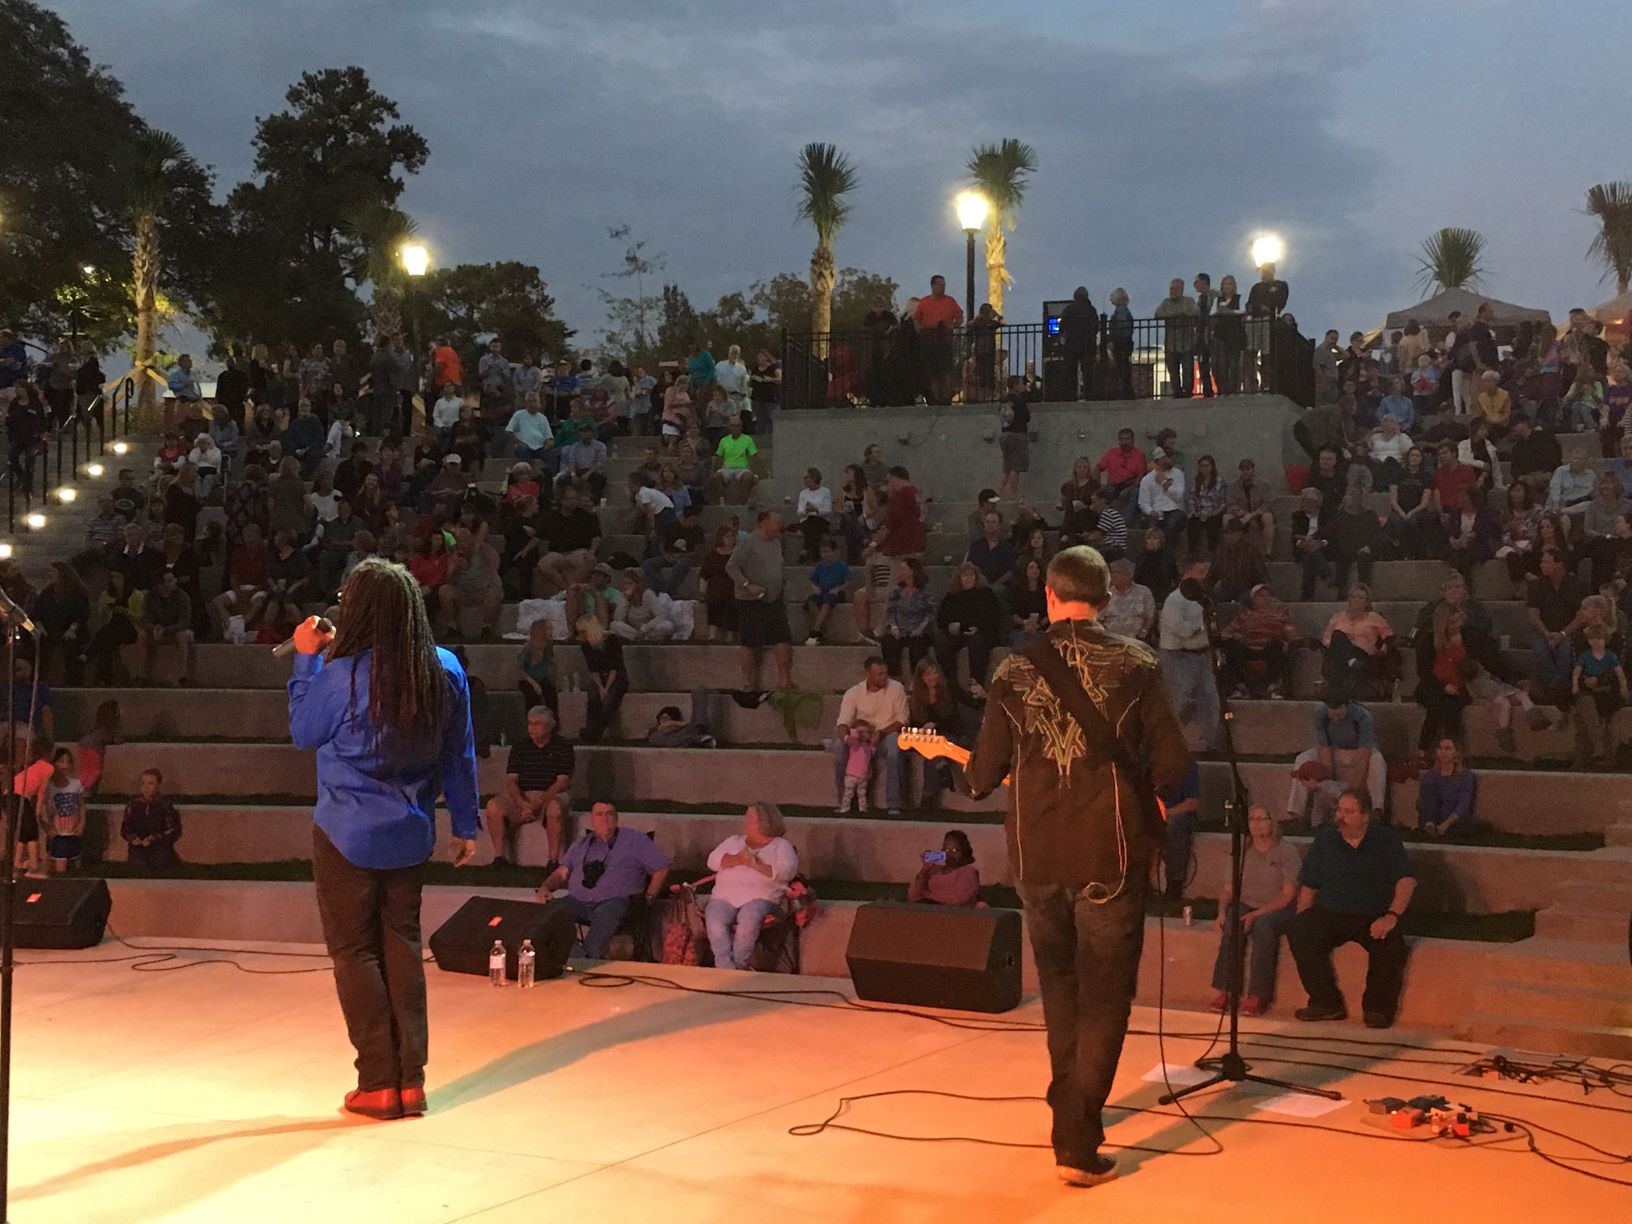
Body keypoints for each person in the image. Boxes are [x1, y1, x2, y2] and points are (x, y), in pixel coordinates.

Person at [965, 546, 1189, 1188]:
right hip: (1109, 854)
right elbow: (1173, 766)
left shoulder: (1011, 669)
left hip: (1036, 857)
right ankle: (1076, 1137)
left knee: (1059, 989)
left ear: (1049, 596)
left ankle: (1070, 1113)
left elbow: (980, 777)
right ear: (1106, 598)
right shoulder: (1137, 663)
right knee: (1105, 996)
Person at [287, 559, 480, 1121]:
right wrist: (464, 825)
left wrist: (305, 657)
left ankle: (376, 1083)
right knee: (401, 944)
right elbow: (459, 753)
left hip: (345, 831)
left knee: (354, 951)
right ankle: (410, 1083)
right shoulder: (443, 668)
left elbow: (303, 731)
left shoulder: (342, 673)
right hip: (411, 830)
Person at [1289, 787, 1416, 1029]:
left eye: (1349, 812)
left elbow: (1406, 880)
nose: (1341, 817)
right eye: (1339, 810)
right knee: (1300, 930)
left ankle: (1377, 1009)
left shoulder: (1385, 840)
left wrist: (1391, 916)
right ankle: (1326, 1002)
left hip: (1373, 914)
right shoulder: (1325, 840)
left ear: (1365, 815)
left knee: (1390, 943)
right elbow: (1309, 885)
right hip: (1332, 913)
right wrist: (1302, 915)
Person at [537, 801, 671, 959]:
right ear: (591, 820)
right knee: (551, 911)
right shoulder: (581, 844)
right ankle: (579, 957)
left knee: (608, 912)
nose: (605, 818)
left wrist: (648, 897)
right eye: (599, 814)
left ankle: (584, 960)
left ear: (616, 818)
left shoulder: (635, 840)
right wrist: (545, 887)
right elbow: (561, 874)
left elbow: (662, 868)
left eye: (609, 814)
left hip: (615, 902)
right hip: (578, 901)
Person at [1209, 805, 1300, 1016]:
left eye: (1261, 818)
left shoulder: (1286, 851)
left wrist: (1257, 914)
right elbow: (1228, 890)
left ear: (1272, 822)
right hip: (1246, 902)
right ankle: (1226, 989)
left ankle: (1258, 995)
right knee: (1232, 923)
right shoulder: (1242, 850)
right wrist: (1222, 911)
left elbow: (1288, 895)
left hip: (1277, 906)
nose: (1256, 823)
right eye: (1252, 819)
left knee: (1264, 928)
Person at [703, 802, 798, 970]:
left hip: (762, 898)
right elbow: (712, 861)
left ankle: (739, 965)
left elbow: (786, 872)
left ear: (765, 822)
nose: (745, 821)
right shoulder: (734, 841)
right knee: (715, 919)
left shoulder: (781, 845)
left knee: (749, 916)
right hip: (725, 896)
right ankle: (725, 967)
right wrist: (737, 859)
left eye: (750, 818)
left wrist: (756, 865)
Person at [484, 705, 574, 871]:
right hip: (523, 796)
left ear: (550, 726)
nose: (532, 728)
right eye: (530, 723)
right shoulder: (520, 747)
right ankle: (499, 857)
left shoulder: (563, 747)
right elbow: (511, 780)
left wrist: (537, 804)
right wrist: (521, 802)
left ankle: (553, 860)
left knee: (555, 808)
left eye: (537, 724)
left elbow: (561, 782)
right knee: (493, 806)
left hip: (551, 796)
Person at [1284, 698, 1389, 826]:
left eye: (1339, 715)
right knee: (1302, 759)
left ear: (1347, 705)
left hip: (1358, 752)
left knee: (1377, 760)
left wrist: (1354, 793)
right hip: (1333, 751)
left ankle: (1376, 811)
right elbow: (1323, 748)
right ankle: (1295, 814)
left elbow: (1364, 751)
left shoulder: (1363, 716)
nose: (1336, 719)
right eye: (1332, 715)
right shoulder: (1320, 713)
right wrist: (1327, 782)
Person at [726, 510, 793, 693]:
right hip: (750, 599)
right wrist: (748, 585)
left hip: (774, 597)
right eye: (776, 522)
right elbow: (731, 566)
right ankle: (746, 681)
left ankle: (784, 679)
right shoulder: (748, 543)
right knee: (750, 641)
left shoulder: (777, 542)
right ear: (763, 522)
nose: (779, 526)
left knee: (782, 637)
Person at [833, 657, 909, 816]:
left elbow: (902, 721)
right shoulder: (853, 693)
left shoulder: (896, 688)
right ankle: (845, 801)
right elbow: (842, 723)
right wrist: (848, 738)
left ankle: (894, 804)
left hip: (886, 735)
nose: (884, 677)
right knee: (839, 747)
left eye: (885, 673)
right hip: (861, 739)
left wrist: (880, 733)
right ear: (867, 674)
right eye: (879, 674)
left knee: (894, 745)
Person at [1158, 558, 1220, 751]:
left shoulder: (1203, 598)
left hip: (1202, 655)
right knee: (1179, 702)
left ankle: (1207, 744)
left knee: (1210, 700)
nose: (1204, 576)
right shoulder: (1175, 599)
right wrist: (1202, 627)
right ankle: (1168, 743)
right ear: (1188, 572)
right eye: (1200, 572)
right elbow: (1179, 628)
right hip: (1178, 657)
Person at [1219, 583, 1296, 699]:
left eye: (1267, 595)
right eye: (1261, 596)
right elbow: (1226, 632)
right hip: (1249, 648)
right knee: (1232, 646)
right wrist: (1234, 635)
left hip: (1269, 648)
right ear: (1253, 599)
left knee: (1277, 645)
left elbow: (1289, 631)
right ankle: (1241, 688)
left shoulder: (1281, 614)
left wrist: (1293, 641)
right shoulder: (1245, 614)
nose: (1265, 598)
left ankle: (1272, 687)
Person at [1571, 623, 1628, 767]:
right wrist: (1577, 684)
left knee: (1608, 720)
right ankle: (1596, 748)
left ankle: (1607, 755)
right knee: (1587, 709)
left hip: (1608, 691)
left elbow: (1619, 673)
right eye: (1593, 639)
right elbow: (1577, 671)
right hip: (1588, 690)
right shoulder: (1584, 655)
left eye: (1599, 639)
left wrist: (1623, 687)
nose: (1596, 642)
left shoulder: (1611, 655)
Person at [880, 558, 936, 678]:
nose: (900, 572)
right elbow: (890, 612)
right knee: (888, 644)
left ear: (912, 571)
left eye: (903, 569)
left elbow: (931, 612)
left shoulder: (926, 591)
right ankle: (895, 678)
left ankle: (916, 680)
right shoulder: (896, 591)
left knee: (917, 647)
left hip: (919, 631)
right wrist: (893, 626)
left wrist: (920, 628)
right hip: (900, 630)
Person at [136, 570, 194, 685]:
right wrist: (154, 628)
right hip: (157, 631)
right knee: (142, 636)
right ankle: (141, 675)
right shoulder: (150, 597)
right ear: (160, 584)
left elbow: (184, 622)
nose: (175, 582)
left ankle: (182, 676)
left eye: (173, 579)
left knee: (182, 635)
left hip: (176, 630)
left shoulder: (182, 596)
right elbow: (145, 619)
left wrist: (166, 630)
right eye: (169, 580)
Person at [576, 616, 628, 743]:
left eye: (583, 631)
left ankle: (595, 732)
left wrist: (606, 688)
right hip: (600, 676)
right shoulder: (586, 646)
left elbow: (615, 667)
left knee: (608, 701)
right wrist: (600, 686)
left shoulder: (611, 640)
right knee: (593, 696)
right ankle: (590, 728)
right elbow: (593, 669)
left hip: (616, 676)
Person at [120, 767, 183, 869]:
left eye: (150, 783)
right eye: (143, 783)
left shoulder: (165, 805)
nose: (146, 787)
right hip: (139, 847)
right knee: (138, 866)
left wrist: (154, 838)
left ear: (158, 785)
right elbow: (125, 828)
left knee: (159, 865)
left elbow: (173, 830)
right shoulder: (133, 805)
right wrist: (132, 838)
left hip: (160, 847)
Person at [1416, 738, 1476, 838]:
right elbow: (1425, 802)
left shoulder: (1465, 776)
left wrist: (1446, 824)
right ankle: (1430, 827)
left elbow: (1463, 805)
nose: (1443, 752)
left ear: (1456, 753)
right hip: (1433, 819)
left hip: (1455, 821)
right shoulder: (1430, 776)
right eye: (1440, 748)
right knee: (1429, 788)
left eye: (1448, 749)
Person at [907, 830, 981, 905]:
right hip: (927, 908)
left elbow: (957, 899)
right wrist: (924, 870)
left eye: (954, 850)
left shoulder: (968, 872)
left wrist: (927, 896)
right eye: (946, 850)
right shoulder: (934, 869)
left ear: (964, 851)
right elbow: (912, 895)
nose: (949, 854)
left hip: (951, 911)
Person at [803, 536, 851, 646]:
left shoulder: (842, 565)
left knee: (827, 602)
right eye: (823, 552)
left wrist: (838, 588)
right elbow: (812, 581)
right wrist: (815, 588)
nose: (825, 555)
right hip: (822, 591)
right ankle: (821, 628)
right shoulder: (819, 566)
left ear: (835, 552)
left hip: (835, 592)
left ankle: (815, 629)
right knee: (810, 602)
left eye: (827, 551)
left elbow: (848, 582)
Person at [1155, 278, 1199, 397]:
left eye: (1175, 289)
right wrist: (1172, 315)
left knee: (1188, 369)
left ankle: (1187, 391)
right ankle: (1177, 392)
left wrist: (1184, 315)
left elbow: (1196, 312)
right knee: (1172, 369)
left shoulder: (1189, 301)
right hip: (1171, 342)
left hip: (1186, 341)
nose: (1172, 291)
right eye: (1171, 289)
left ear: (1181, 289)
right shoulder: (1166, 302)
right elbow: (1157, 314)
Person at [516, 617, 560, 720]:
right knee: (533, 697)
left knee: (551, 695)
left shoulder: (548, 647)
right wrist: (533, 683)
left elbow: (550, 664)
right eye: (548, 628)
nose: (551, 630)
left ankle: (552, 723)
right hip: (528, 680)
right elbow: (519, 669)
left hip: (542, 679)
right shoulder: (527, 649)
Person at [1059, 287, 1099, 400]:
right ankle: (1089, 394)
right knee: (1088, 370)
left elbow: (1061, 326)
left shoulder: (1069, 309)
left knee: (1070, 370)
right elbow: (1096, 327)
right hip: (1088, 344)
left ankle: (1071, 395)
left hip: (1072, 343)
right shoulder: (1091, 310)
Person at [645, 689, 717, 749]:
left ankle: (700, 740)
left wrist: (680, 724)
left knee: (698, 723)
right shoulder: (655, 733)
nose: (665, 721)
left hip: (688, 735)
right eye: (662, 718)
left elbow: (689, 727)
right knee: (655, 737)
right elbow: (661, 729)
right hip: (682, 740)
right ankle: (699, 740)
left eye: (668, 718)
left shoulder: (685, 729)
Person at [836, 720, 875, 812]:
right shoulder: (855, 745)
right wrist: (856, 733)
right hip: (851, 774)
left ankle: (863, 808)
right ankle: (845, 808)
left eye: (866, 732)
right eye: (861, 732)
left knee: (862, 794)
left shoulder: (868, 747)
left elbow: (871, 755)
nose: (864, 734)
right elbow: (852, 735)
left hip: (863, 775)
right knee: (848, 793)